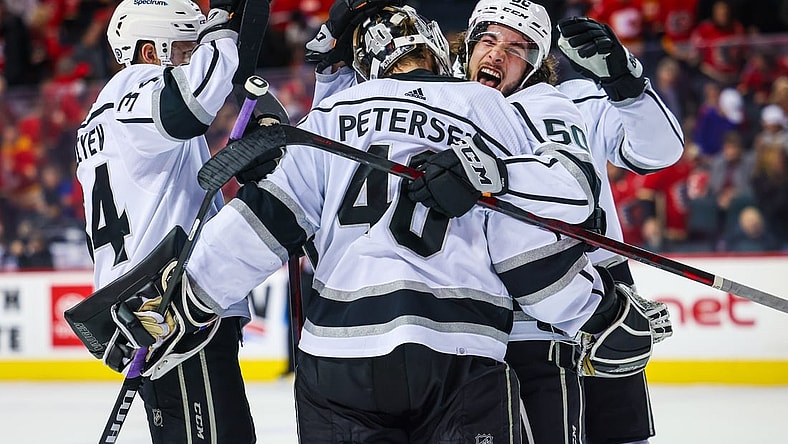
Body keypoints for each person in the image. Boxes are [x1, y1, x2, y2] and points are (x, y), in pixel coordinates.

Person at [126, 5, 639, 442]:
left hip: (339, 359)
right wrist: (593, 314)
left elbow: (264, 222)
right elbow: (519, 241)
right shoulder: (484, 107)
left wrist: (184, 300)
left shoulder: (330, 114)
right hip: (458, 351)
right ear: (442, 51)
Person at [74, 0, 256, 442]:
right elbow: (188, 107)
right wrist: (222, 29)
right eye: (183, 48)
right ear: (151, 52)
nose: (191, 59)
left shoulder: (97, 122)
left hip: (149, 309)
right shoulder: (133, 85)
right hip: (172, 306)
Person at [556, 15, 684, 444]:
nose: (502, 52)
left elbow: (661, 152)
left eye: (520, 41)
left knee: (617, 433)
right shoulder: (463, 106)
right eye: (489, 39)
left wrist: (626, 86)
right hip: (503, 292)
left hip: (601, 281)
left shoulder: (578, 100)